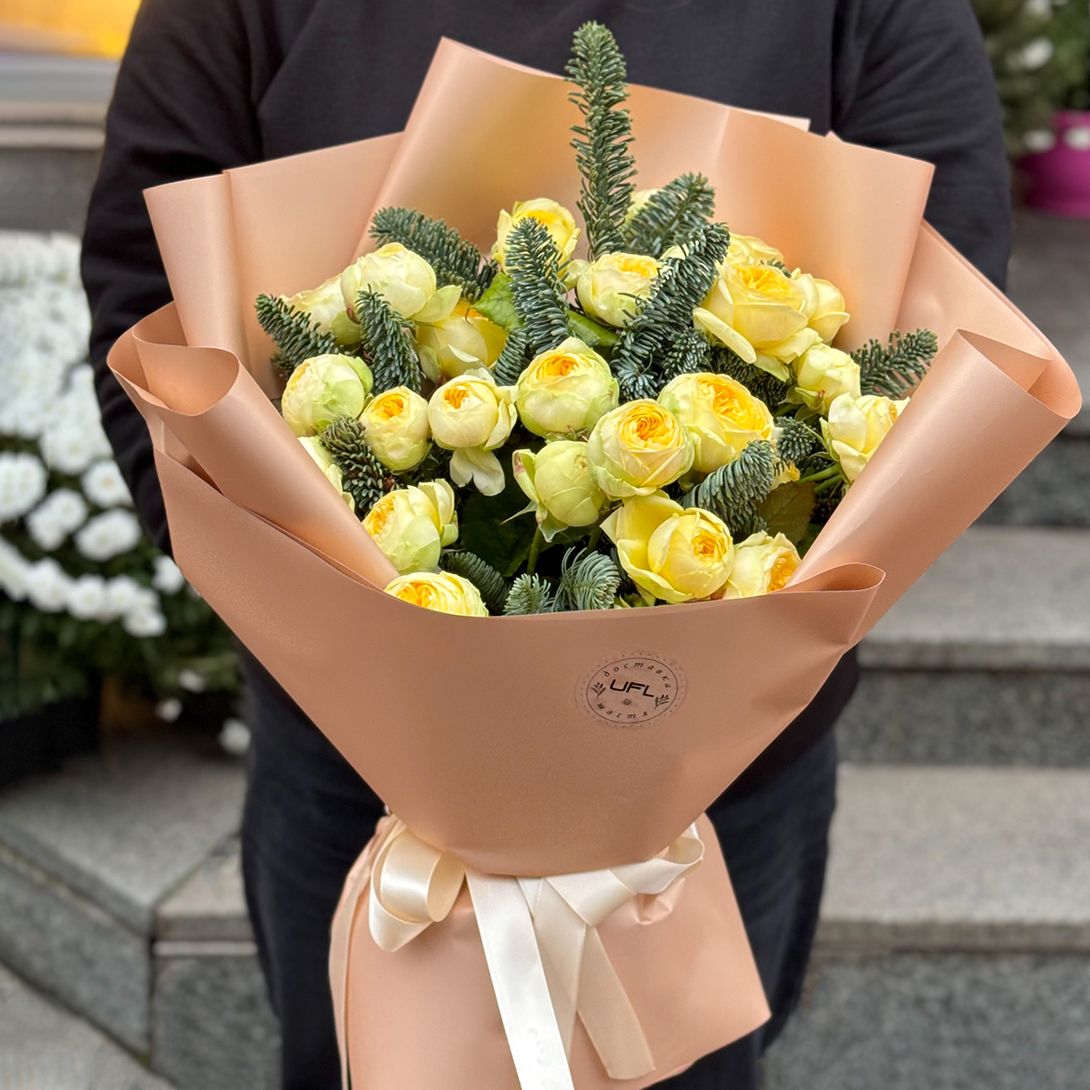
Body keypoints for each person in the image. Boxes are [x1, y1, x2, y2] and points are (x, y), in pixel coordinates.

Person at [82, 2, 1010, 1087]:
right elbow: (148, 293)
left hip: (717, 783)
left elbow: (943, 342)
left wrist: (721, 674)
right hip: (352, 763)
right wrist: (304, 620)